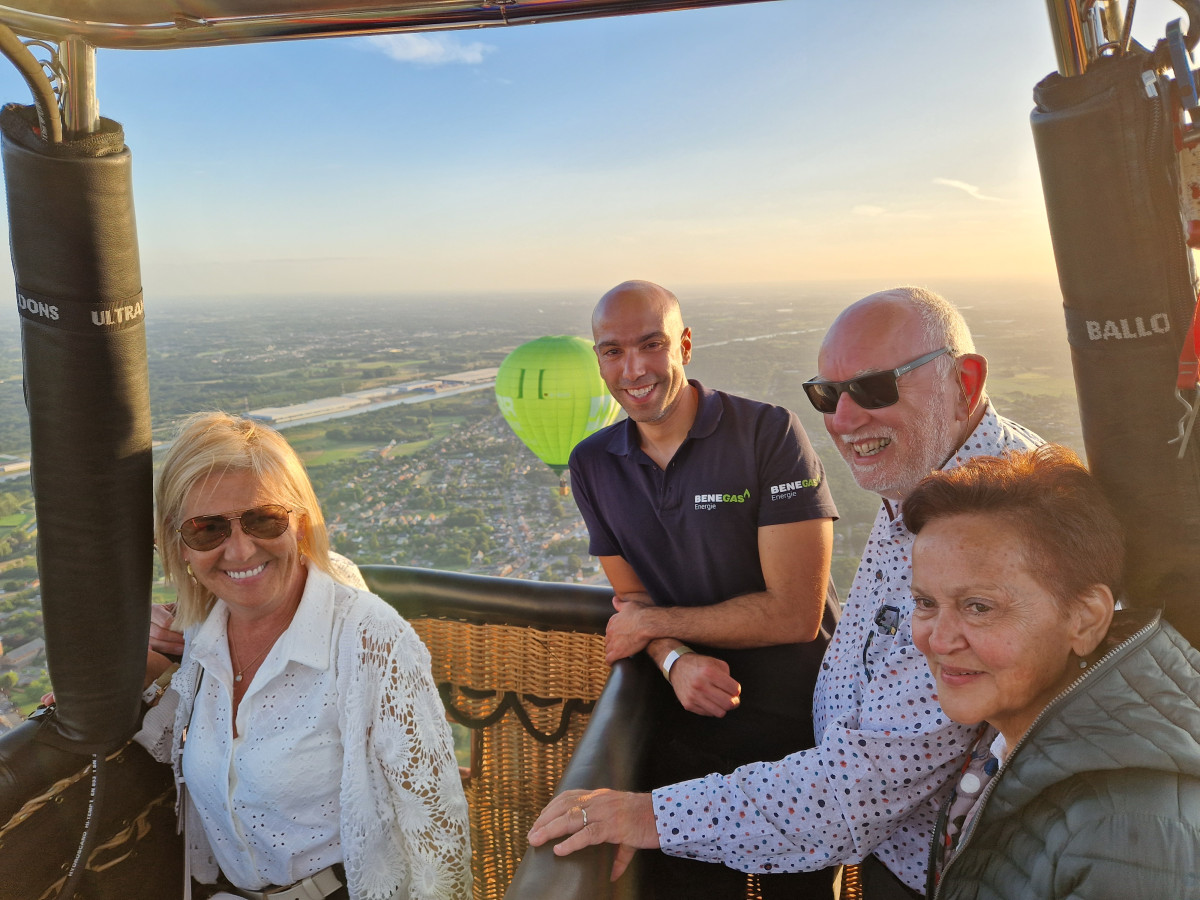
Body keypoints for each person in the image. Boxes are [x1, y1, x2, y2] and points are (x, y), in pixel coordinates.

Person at [529, 286, 1042, 899]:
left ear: (966, 382)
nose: (844, 420)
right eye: (828, 395)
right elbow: (632, 603)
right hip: (887, 837)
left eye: (875, 388)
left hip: (941, 862)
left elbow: (860, 787)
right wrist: (672, 656)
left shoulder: (994, 525)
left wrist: (647, 816)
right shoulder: (925, 478)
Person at [565, 280, 839, 897]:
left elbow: (796, 614)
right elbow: (633, 602)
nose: (633, 369)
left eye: (651, 344)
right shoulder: (592, 463)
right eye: (612, 351)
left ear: (684, 344)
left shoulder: (767, 433)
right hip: (685, 721)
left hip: (799, 726)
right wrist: (674, 659)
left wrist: (654, 627)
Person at [140, 411, 471, 900]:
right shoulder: (203, 634)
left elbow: (437, 837)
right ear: (179, 545)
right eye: (207, 529)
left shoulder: (371, 641)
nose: (240, 550)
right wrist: (112, 683)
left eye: (263, 519)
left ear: (299, 522)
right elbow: (188, 738)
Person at [905, 443, 1200, 899]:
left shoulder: (1126, 830)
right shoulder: (1010, 734)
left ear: (1085, 619)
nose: (939, 641)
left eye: (979, 607)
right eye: (926, 603)